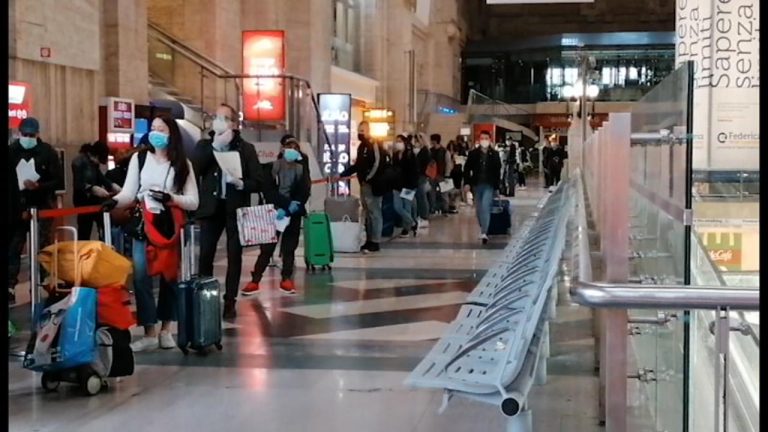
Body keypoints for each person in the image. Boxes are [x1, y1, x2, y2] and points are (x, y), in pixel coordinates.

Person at [102, 114, 199, 352]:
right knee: (141, 276)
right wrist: (113, 202)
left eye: (161, 129)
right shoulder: (140, 158)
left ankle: (167, 329)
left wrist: (171, 198)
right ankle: (149, 330)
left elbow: (193, 201)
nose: (156, 133)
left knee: (169, 277)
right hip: (143, 223)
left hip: (168, 226)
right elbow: (129, 192)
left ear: (171, 134)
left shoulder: (183, 164)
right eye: (153, 128)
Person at [191, 104, 266, 320]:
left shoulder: (245, 148)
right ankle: (205, 297)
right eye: (216, 117)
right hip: (211, 208)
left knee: (235, 255)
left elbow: (258, 180)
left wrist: (242, 183)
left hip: (235, 208)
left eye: (225, 118)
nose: (219, 122)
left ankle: (230, 301)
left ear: (234, 123)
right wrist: (215, 146)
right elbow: (195, 168)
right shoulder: (204, 145)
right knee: (206, 253)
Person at [242, 135, 310, 297]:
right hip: (274, 212)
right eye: (289, 147)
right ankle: (255, 280)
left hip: (293, 214)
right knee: (267, 248)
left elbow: (304, 190)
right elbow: (269, 191)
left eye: (295, 148)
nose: (292, 151)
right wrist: (284, 205)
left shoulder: (301, 169)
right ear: (282, 149)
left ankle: (286, 278)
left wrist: (294, 206)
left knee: (289, 248)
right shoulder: (272, 168)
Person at [8, 118, 63, 304]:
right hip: (16, 205)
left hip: (42, 204)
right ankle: (10, 284)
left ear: (37, 134)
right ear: (19, 133)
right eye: (25, 135)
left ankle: (39, 281)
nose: (28, 138)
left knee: (42, 245)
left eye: (32, 135)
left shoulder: (47, 152)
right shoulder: (12, 151)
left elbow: (57, 179)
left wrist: (39, 186)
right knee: (14, 245)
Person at [339, 121, 385, 253]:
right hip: (364, 184)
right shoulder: (361, 146)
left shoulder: (373, 145)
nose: (360, 133)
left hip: (373, 185)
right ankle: (369, 240)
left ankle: (375, 241)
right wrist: (343, 174)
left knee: (375, 212)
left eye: (362, 131)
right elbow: (358, 165)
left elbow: (377, 164)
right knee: (367, 212)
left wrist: (369, 178)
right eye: (359, 130)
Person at [72, 141, 121, 241]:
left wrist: (111, 185)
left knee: (104, 225)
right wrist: (92, 188)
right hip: (83, 201)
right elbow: (78, 183)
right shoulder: (78, 161)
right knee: (84, 230)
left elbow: (100, 177)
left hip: (95, 201)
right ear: (94, 155)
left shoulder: (94, 163)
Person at [463, 130, 502, 245]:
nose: (484, 140)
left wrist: (497, 187)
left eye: (486, 138)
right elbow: (467, 169)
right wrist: (467, 183)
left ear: (490, 140)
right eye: (482, 138)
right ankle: (482, 226)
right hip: (476, 184)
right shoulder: (473, 154)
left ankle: (484, 231)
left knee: (485, 206)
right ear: (479, 140)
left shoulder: (494, 154)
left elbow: (497, 171)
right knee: (479, 208)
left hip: (489, 185)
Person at [391, 134, 418, 237]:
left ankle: (406, 228)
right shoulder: (395, 155)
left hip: (408, 185)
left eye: (400, 141)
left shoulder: (410, 155)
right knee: (397, 207)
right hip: (397, 185)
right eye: (397, 141)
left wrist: (413, 185)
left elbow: (414, 171)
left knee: (407, 207)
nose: (398, 143)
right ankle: (412, 222)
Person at [428, 133, 450, 215]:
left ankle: (445, 208)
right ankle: (433, 207)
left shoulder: (444, 151)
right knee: (432, 193)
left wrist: (447, 174)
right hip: (432, 175)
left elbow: (448, 163)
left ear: (435, 141)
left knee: (444, 192)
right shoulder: (430, 151)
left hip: (442, 175)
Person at [413, 133, 431, 227]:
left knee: (421, 196)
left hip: (422, 176)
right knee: (418, 197)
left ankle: (424, 216)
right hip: (417, 176)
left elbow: (424, 164)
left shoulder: (425, 151)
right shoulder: (419, 151)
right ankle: (420, 215)